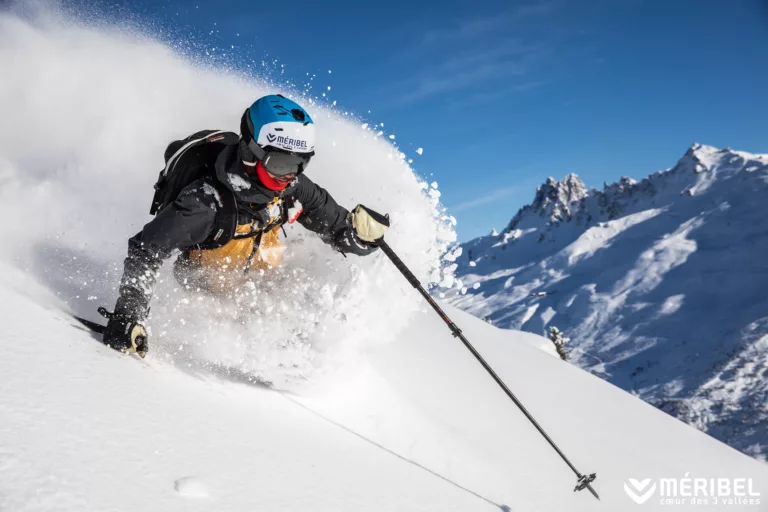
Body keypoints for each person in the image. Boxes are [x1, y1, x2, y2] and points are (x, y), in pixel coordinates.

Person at [102, 94, 389, 357]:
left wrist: (362, 237)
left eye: (300, 164)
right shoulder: (204, 204)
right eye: (280, 164)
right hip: (207, 288)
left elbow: (337, 228)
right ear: (252, 152)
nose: (289, 175)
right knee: (249, 308)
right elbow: (146, 249)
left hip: (260, 279)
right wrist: (129, 314)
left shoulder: (291, 184)